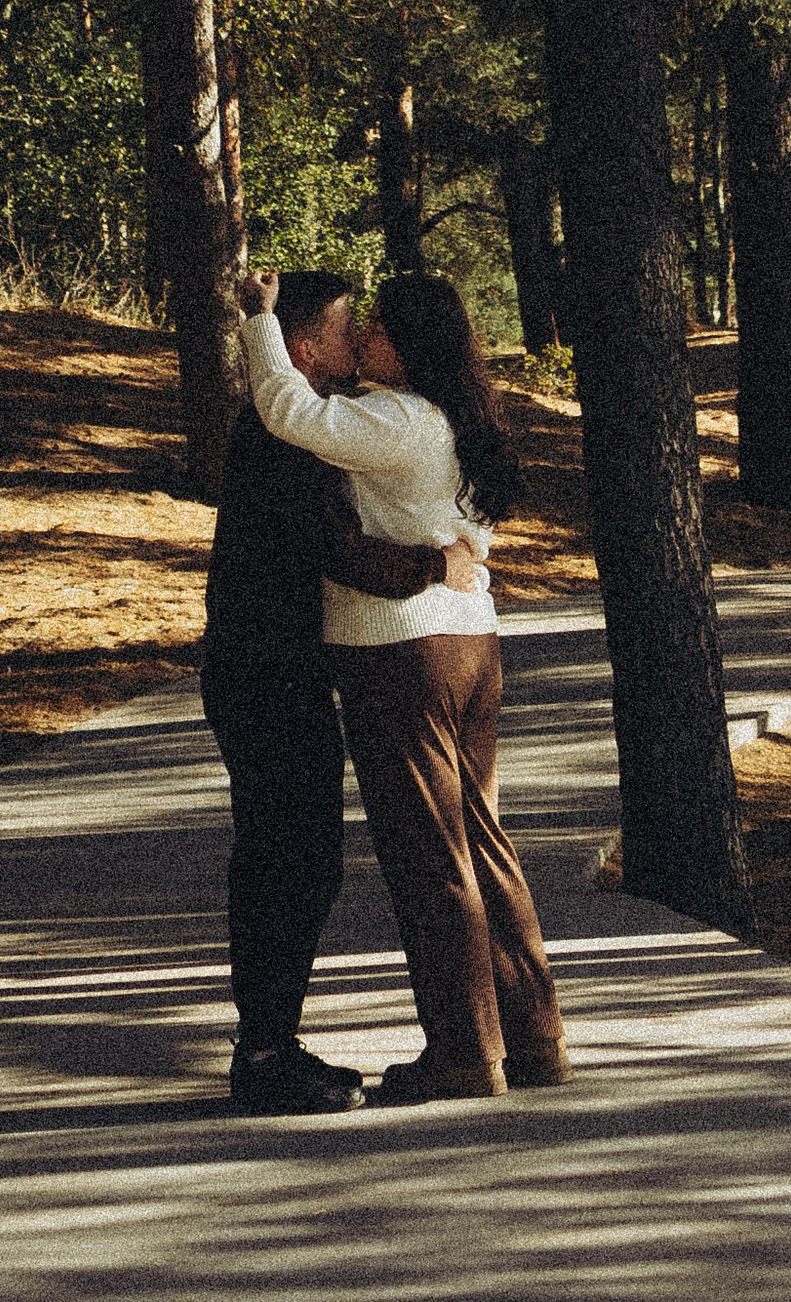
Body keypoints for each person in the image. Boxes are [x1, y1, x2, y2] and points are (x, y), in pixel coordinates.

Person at [238, 264, 570, 1105]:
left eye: (379, 328)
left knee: (430, 858)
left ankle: (463, 1051)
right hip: (473, 647)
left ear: (413, 346)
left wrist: (261, 320)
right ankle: (534, 1038)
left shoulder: (395, 419)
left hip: (402, 652)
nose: (365, 339)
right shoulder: (463, 421)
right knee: (485, 842)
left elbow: (289, 410)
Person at [200, 265, 483, 1116]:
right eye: (342, 326)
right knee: (289, 860)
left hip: (280, 669)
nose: (355, 339)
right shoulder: (281, 432)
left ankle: (271, 1042)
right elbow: (345, 552)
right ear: (301, 344)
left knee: (298, 859)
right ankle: (263, 1053)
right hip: (264, 672)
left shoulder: (309, 429)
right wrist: (443, 562)